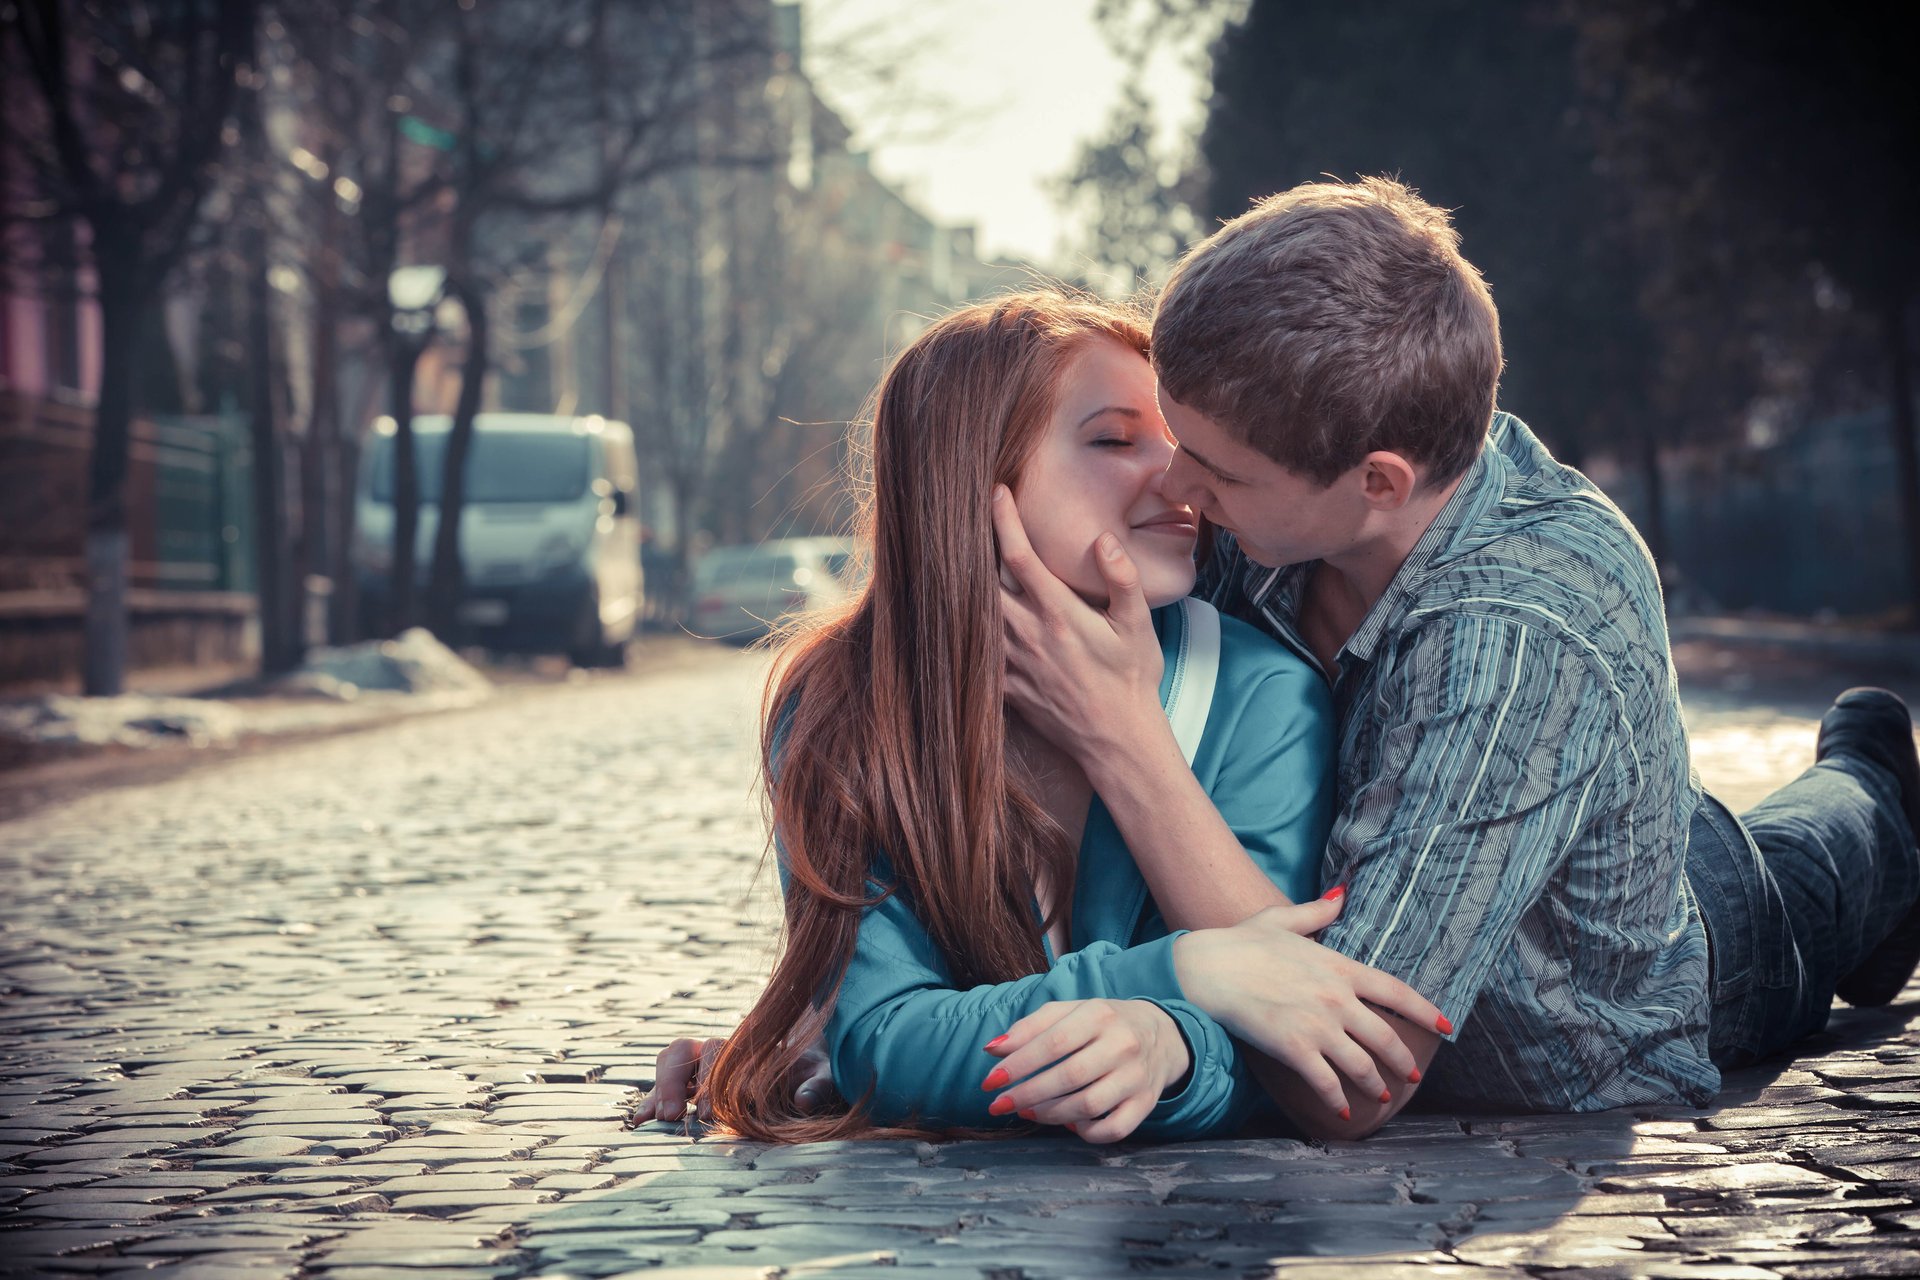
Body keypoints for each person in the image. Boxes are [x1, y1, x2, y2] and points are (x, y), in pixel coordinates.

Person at [990, 177, 1920, 1139]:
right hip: (1583, 813)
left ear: (1378, 483)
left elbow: (1354, 1076)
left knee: (1833, 851)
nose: (1177, 485)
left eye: (1217, 473)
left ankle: (1874, 776)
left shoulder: (1516, 635)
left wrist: (1122, 740)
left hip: (1698, 949)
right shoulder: (1291, 476)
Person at [633, 290, 1443, 1143]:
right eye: (1113, 439)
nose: (1175, 477)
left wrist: (1168, 1044)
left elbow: (1284, 1026)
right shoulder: (839, 703)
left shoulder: (1260, 692)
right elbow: (880, 1037)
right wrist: (1185, 971)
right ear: (967, 474)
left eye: (1174, 438)